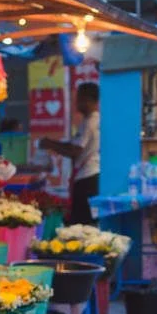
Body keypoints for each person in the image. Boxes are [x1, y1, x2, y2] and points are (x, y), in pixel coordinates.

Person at [39, 82, 99, 226]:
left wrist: (50, 144)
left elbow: (74, 151)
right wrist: (51, 143)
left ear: (88, 100)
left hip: (87, 179)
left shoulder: (90, 122)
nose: (76, 103)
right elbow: (73, 145)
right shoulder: (90, 121)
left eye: (79, 98)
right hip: (88, 176)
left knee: (81, 224)